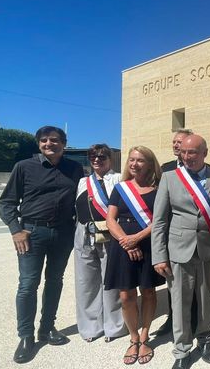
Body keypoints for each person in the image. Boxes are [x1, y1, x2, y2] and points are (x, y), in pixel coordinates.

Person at [0, 125, 84, 364]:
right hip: (31, 233)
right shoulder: (24, 167)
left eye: (55, 140)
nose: (50, 144)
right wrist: (16, 230)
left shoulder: (74, 169)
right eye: (45, 140)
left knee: (55, 281)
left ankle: (47, 328)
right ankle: (26, 336)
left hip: (64, 233)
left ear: (64, 144)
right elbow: (7, 203)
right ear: (39, 144)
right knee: (28, 285)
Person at [152, 135, 210, 369]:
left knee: (205, 298)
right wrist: (159, 256)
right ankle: (181, 349)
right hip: (178, 250)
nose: (187, 157)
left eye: (193, 153)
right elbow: (159, 222)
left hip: (208, 249)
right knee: (179, 302)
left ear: (205, 153)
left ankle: (205, 339)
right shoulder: (169, 178)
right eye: (184, 153)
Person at [104, 146, 164, 365]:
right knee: (126, 296)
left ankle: (146, 336)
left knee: (148, 291)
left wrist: (137, 238)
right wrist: (127, 243)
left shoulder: (158, 189)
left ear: (149, 164)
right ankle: (133, 337)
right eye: (131, 160)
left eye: (140, 160)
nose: (134, 164)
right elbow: (111, 219)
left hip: (147, 243)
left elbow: (160, 220)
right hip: (122, 246)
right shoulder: (120, 189)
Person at [74, 144, 126, 343]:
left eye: (102, 156)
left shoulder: (118, 178)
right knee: (86, 281)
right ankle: (90, 326)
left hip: (110, 233)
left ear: (110, 159)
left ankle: (114, 326)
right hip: (84, 233)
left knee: (111, 279)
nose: (97, 159)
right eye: (93, 156)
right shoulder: (82, 181)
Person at [155, 128, 193, 337]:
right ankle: (172, 318)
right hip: (172, 234)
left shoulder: (203, 167)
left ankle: (195, 320)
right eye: (174, 142)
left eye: (180, 142)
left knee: (196, 282)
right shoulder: (166, 169)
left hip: (195, 235)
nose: (176, 145)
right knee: (173, 281)